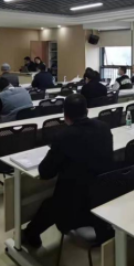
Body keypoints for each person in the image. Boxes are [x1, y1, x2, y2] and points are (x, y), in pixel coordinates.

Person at [22, 94, 114, 248]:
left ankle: (28, 235)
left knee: (51, 205)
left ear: (65, 115)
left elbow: (45, 173)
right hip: (101, 194)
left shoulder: (63, 136)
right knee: (54, 202)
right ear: (87, 111)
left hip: (76, 206)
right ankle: (29, 234)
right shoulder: (104, 127)